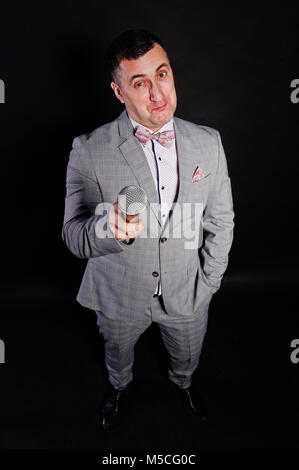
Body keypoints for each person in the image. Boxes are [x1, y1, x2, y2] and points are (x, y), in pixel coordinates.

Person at [62, 29, 234, 430]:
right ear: (119, 93)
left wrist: (209, 281)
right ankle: (119, 388)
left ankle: (183, 384)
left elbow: (221, 219)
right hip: (119, 293)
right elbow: (72, 235)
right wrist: (111, 229)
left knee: (186, 356)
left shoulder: (209, 143)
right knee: (117, 355)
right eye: (140, 83)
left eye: (162, 74)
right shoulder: (88, 149)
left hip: (188, 290)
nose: (158, 94)